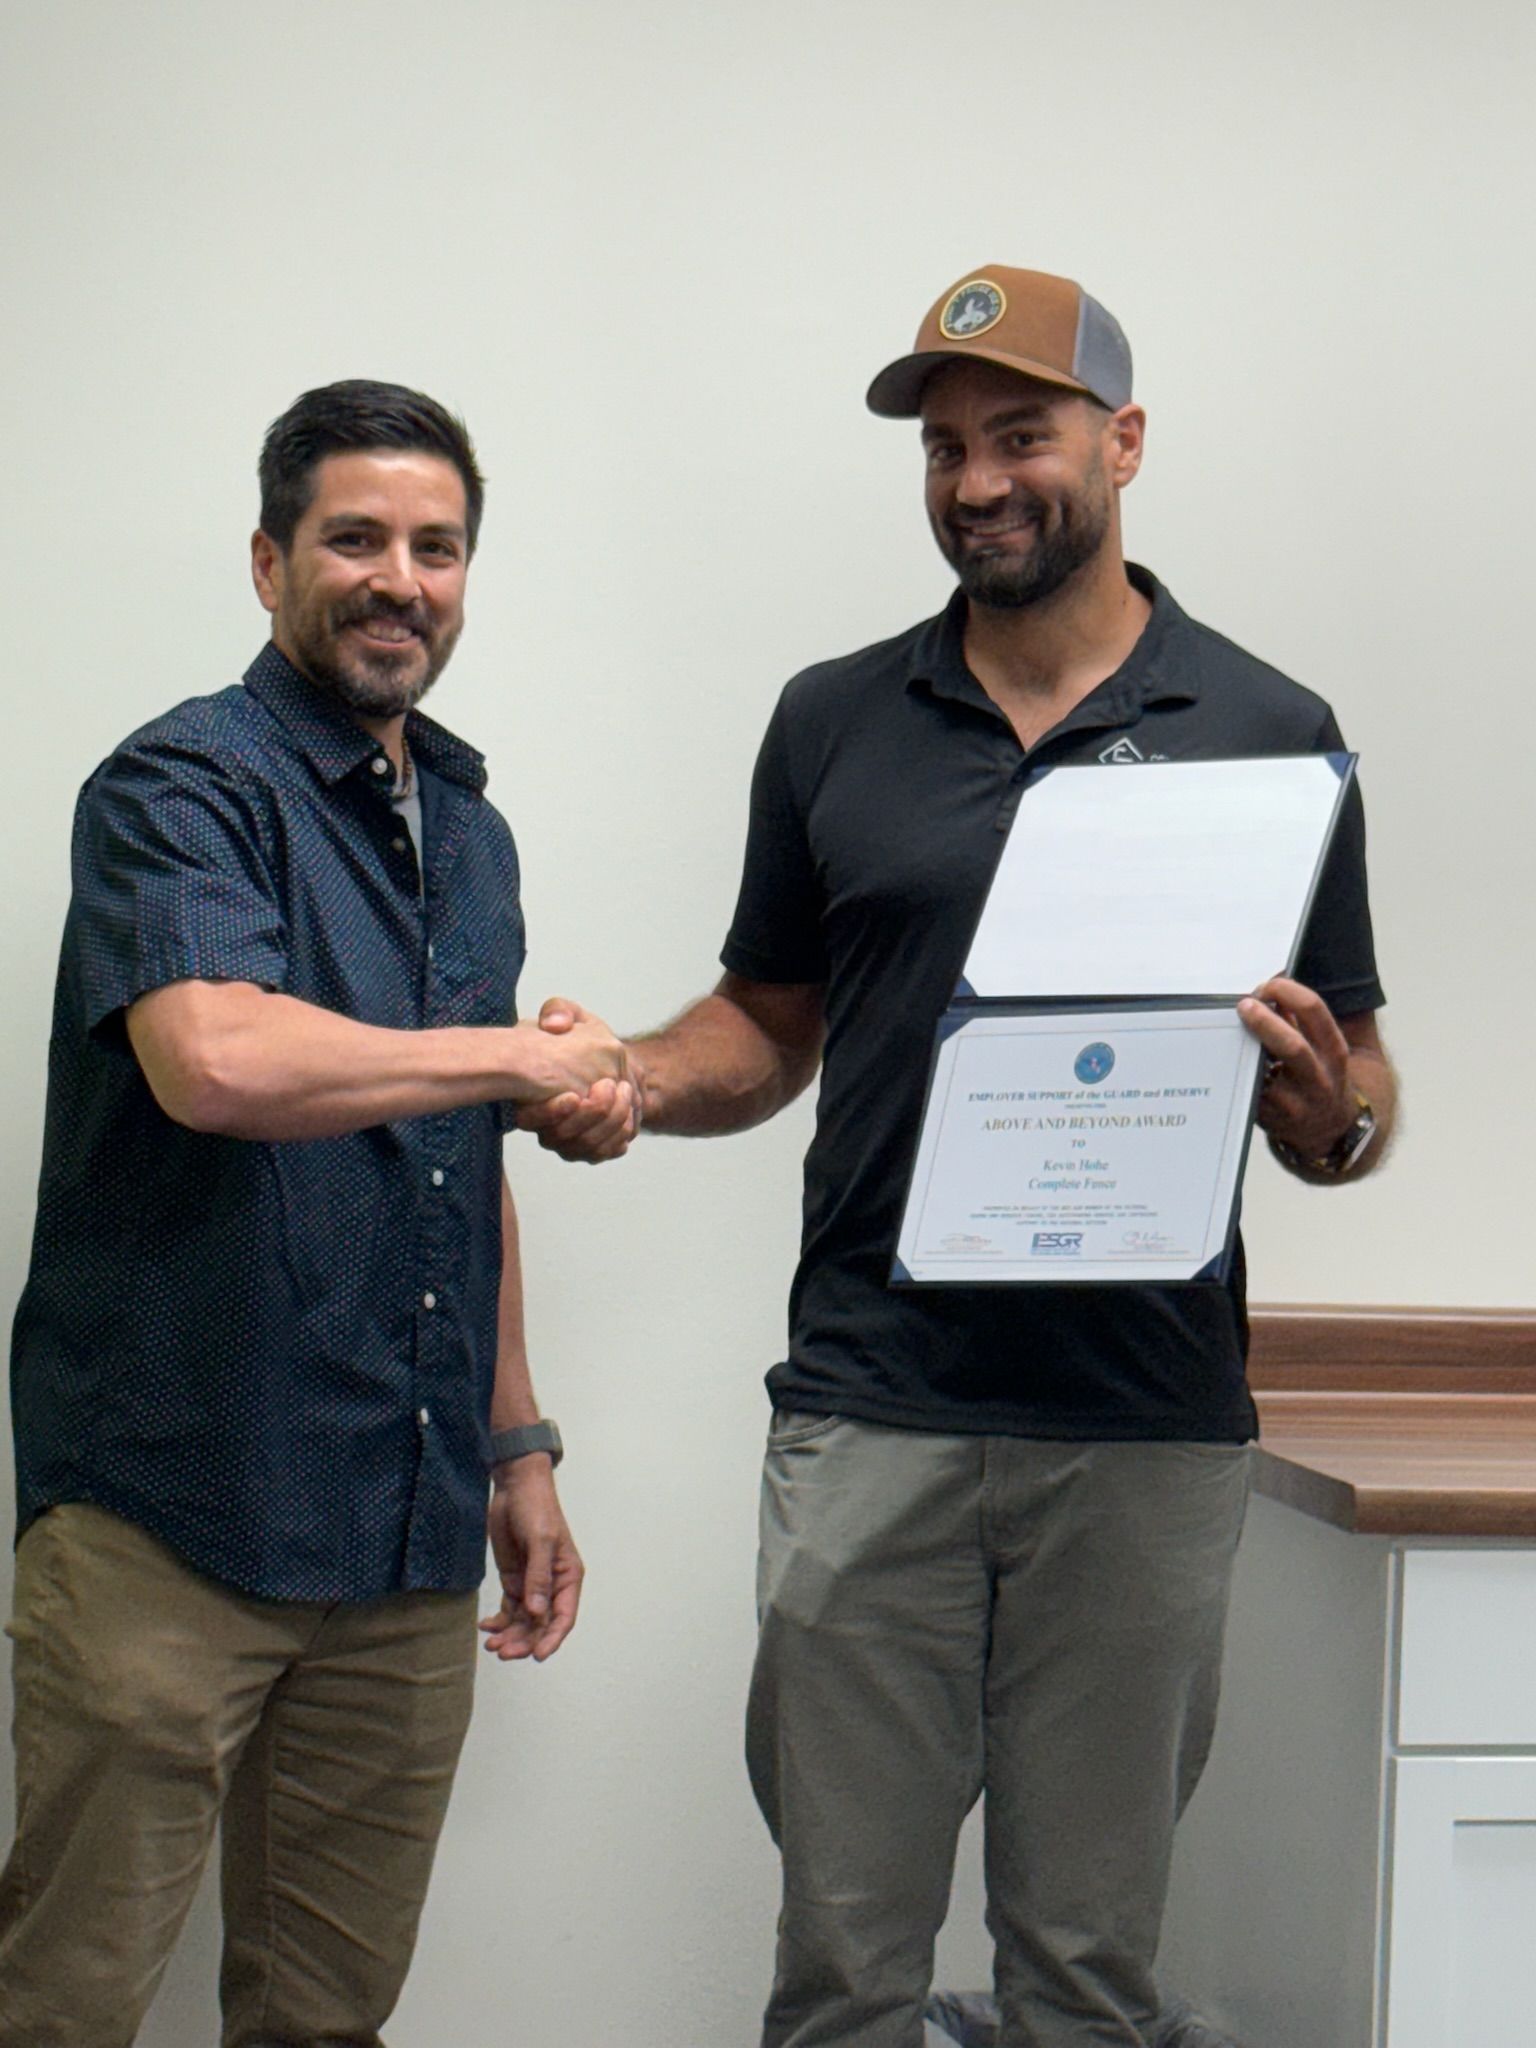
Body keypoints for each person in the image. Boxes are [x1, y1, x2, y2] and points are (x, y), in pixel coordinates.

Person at [519, 267, 1397, 2048]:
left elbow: (1351, 1075)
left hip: (1141, 1427)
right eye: (944, 449)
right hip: (873, 1406)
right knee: (843, 1971)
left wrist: (1328, 1118)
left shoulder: (1270, 729)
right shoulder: (832, 719)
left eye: (1021, 435)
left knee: (1086, 1975)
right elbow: (766, 1023)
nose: (979, 481)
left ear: (1123, 442)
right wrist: (628, 1074)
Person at [1, 379, 626, 2047]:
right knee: (66, 2004)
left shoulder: (471, 835)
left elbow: (454, 1161)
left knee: (326, 2018)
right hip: (167, 1517)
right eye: (356, 537)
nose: (397, 579)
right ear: (272, 558)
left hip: (406, 1527)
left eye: (436, 546)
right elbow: (215, 1060)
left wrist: (520, 1448)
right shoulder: (179, 787)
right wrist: (522, 1055)